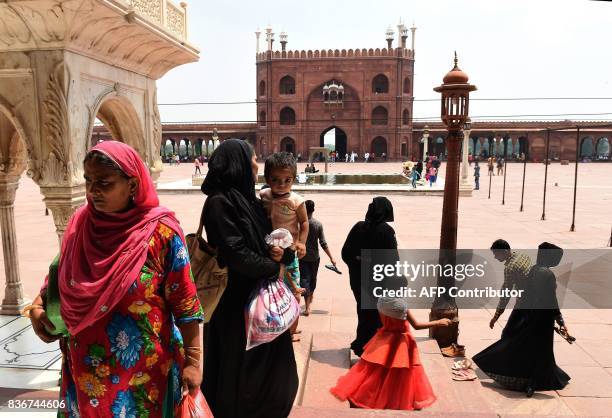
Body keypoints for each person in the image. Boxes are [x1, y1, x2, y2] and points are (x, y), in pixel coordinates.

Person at [26, 141, 203, 417]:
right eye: (88, 180)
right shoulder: (80, 229)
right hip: (87, 377)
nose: (92, 190)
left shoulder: (161, 235)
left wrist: (193, 362)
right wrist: (37, 310)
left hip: (145, 379)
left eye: (104, 182)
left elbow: (186, 305)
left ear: (131, 185)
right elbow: (57, 281)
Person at [201, 139, 298, 417]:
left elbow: (263, 241)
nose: (257, 164)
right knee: (238, 369)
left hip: (261, 299)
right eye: (253, 159)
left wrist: (280, 253)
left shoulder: (250, 200)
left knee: (273, 371)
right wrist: (273, 268)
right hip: (235, 302)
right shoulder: (218, 203)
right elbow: (236, 254)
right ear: (238, 164)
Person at [330, 287, 452, 410]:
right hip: (401, 342)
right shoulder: (402, 306)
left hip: (383, 337)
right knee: (400, 372)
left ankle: (370, 395)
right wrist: (438, 322)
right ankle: (395, 398)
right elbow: (417, 325)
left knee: (376, 371)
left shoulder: (382, 302)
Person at [473, 242, 570, 397]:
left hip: (531, 314)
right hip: (541, 319)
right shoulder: (542, 271)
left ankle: (526, 378)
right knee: (539, 351)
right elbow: (551, 300)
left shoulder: (535, 269)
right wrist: (560, 320)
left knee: (524, 344)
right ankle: (531, 381)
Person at [260, 152, 309, 342]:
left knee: (293, 293)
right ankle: (275, 326)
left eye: (287, 180)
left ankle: (291, 332)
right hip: (270, 250)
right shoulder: (264, 195)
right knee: (271, 292)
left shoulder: (297, 201)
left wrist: (302, 242)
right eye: (275, 179)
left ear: (294, 179)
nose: (281, 184)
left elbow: (304, 223)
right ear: (267, 179)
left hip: (289, 253)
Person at [342, 197, 397, 357]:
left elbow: (346, 253)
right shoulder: (386, 231)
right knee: (376, 315)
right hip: (378, 282)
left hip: (359, 281)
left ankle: (362, 344)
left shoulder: (358, 227)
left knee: (364, 311)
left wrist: (359, 262)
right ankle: (373, 347)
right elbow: (392, 260)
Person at [300, 200, 337, 316]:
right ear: (313, 210)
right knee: (312, 279)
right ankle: (309, 299)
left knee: (304, 279)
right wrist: (331, 257)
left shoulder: (300, 224)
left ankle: (307, 307)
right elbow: (323, 243)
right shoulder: (318, 224)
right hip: (315, 257)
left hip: (302, 256)